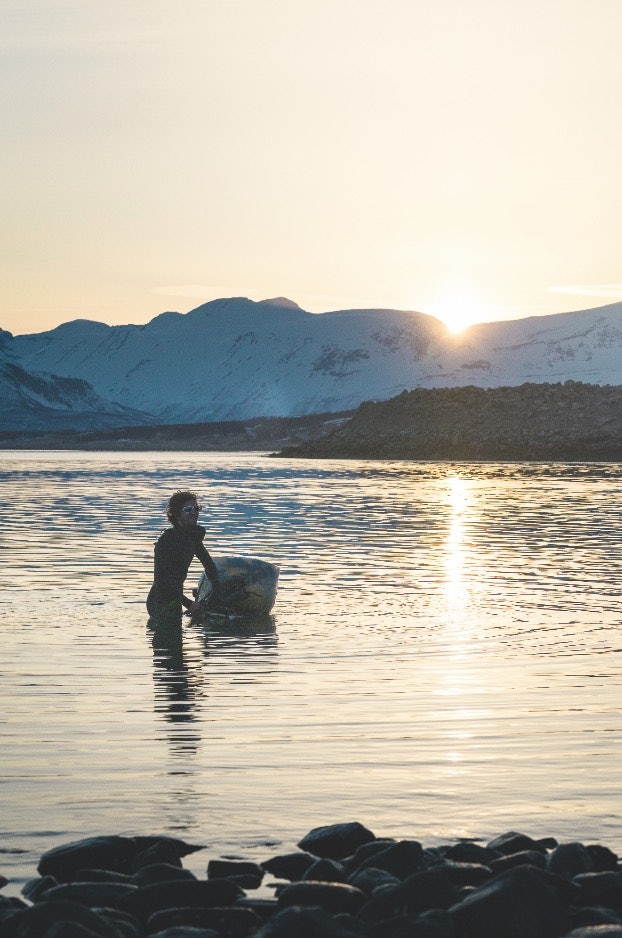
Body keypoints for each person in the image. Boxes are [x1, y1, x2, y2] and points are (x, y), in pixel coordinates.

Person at [146, 490, 220, 622]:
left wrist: (218, 590)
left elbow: (210, 567)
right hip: (160, 602)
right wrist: (189, 604)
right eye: (188, 509)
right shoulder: (167, 540)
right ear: (177, 514)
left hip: (176, 601)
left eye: (196, 508)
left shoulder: (193, 538)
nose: (194, 512)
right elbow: (162, 581)